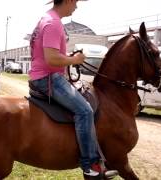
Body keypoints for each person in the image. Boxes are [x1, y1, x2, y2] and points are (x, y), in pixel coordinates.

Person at [29, 0, 114, 178]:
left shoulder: (46, 19)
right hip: (48, 78)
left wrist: (67, 57)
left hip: (43, 75)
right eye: (75, 1)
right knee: (85, 111)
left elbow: (49, 55)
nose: (76, 6)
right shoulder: (54, 23)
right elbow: (51, 59)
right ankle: (90, 165)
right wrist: (75, 60)